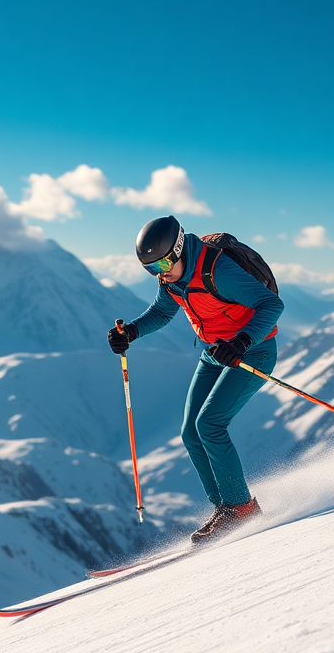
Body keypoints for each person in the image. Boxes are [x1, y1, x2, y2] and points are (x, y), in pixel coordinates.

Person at [109, 216, 284, 544]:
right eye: (150, 268)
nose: (159, 272)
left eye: (161, 263)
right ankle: (226, 509)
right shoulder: (171, 277)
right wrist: (131, 332)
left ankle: (242, 509)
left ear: (177, 250)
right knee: (191, 432)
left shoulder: (217, 271)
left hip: (253, 351)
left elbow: (271, 304)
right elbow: (162, 312)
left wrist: (243, 341)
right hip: (216, 352)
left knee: (210, 426)